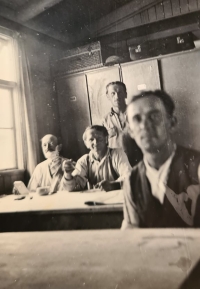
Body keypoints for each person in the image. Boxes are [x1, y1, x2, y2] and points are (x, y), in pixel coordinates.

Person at [122, 90, 200, 228]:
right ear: (131, 132)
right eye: (137, 119)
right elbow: (131, 232)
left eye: (154, 116)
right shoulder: (131, 180)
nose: (145, 125)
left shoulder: (196, 167)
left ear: (172, 123)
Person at [63, 125, 132, 192]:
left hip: (117, 198)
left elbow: (129, 177)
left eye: (99, 139)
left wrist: (113, 185)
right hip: (96, 200)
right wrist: (68, 174)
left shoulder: (117, 154)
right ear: (86, 143)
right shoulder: (84, 161)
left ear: (106, 140)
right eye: (91, 139)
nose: (95, 142)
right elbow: (73, 187)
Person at [103, 81, 142, 166]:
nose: (117, 97)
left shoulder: (136, 113)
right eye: (113, 93)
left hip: (138, 161)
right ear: (108, 96)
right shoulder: (105, 120)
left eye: (120, 93)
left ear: (125, 94)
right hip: (117, 164)